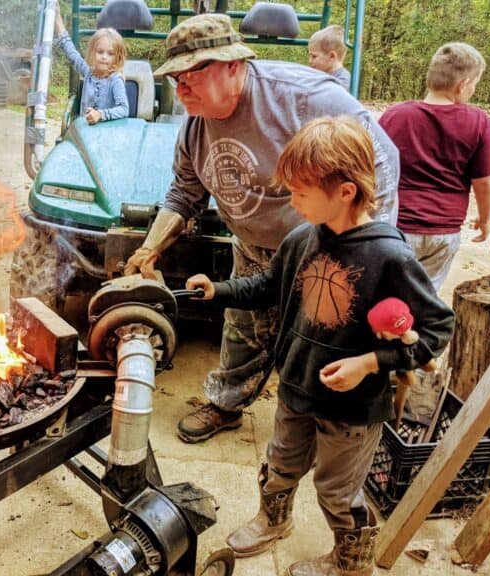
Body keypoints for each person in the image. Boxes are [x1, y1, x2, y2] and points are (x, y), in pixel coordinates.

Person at [186, 116, 454, 575]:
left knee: (337, 490)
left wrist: (370, 362)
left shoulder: (391, 257)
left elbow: (436, 330)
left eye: (301, 193)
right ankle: (274, 520)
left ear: (346, 191)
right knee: (279, 465)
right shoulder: (300, 239)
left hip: (352, 411)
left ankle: (350, 562)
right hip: (296, 385)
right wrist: (218, 289)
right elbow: (268, 286)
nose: (292, 202)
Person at [123, 13, 400, 444]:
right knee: (244, 327)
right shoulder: (195, 124)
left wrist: (367, 246)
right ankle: (227, 403)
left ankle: (329, 428)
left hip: (321, 247)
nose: (180, 89)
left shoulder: (303, 98)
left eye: (192, 75)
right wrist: (149, 249)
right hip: (252, 244)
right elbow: (183, 194)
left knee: (325, 337)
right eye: (175, 78)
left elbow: (381, 162)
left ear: (233, 65)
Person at [379, 42, 490, 292]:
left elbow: (374, 166)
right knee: (422, 301)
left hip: (396, 225)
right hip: (443, 230)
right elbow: (483, 182)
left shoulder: (396, 115)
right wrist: (484, 219)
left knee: (386, 296)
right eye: (474, 84)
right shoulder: (479, 122)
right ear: (462, 85)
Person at [54, 5, 129, 124]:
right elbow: (72, 54)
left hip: (106, 130)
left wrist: (100, 114)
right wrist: (57, 18)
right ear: (93, 53)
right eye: (100, 52)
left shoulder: (115, 80)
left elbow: (124, 109)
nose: (104, 57)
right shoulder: (89, 73)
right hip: (84, 129)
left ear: (117, 58)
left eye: (110, 54)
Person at [308, 25, 351, 91]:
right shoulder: (319, 74)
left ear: (331, 56)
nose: (309, 61)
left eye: (314, 56)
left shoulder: (343, 80)